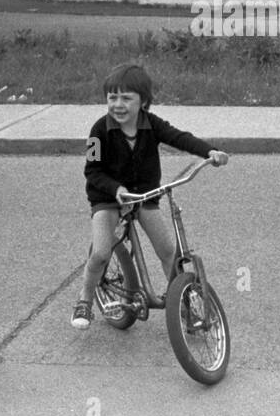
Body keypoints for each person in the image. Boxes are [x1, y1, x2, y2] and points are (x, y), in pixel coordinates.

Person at [73, 63, 228, 329]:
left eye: (126, 98)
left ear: (143, 102)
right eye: (112, 98)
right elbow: (92, 170)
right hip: (108, 197)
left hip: (144, 195)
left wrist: (209, 152)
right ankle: (84, 299)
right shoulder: (98, 131)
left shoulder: (151, 124)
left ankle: (184, 305)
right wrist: (116, 189)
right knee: (100, 252)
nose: (118, 105)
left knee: (168, 251)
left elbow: (180, 138)